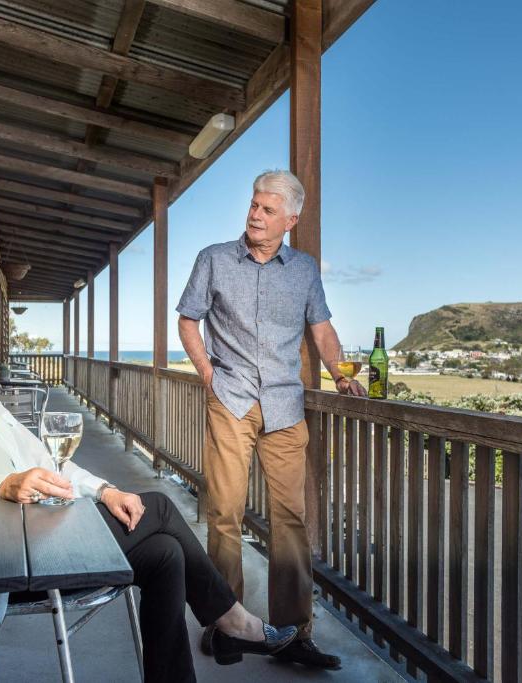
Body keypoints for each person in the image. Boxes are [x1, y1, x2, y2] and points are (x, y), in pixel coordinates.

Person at [0, 287, 297, 683]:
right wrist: (3, 484)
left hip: (39, 538)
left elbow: (50, 463)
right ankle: (234, 622)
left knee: (165, 553)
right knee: (158, 507)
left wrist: (106, 491)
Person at [177, 170, 366, 670]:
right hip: (232, 398)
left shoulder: (303, 269)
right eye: (253, 205)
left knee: (291, 520)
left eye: (266, 209)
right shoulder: (214, 259)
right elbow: (188, 318)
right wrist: (206, 371)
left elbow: (321, 328)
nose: (254, 215)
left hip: (285, 404)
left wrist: (341, 375)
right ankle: (226, 625)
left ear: (291, 219)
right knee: (224, 512)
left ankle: (295, 634)